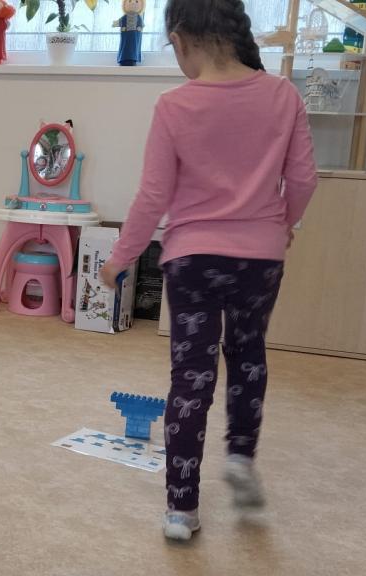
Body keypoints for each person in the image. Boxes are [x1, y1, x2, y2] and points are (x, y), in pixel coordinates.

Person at [98, 0, 318, 541]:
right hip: (260, 257)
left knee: (191, 377)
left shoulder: (175, 105)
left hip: (193, 260)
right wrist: (283, 223)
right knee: (248, 355)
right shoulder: (283, 95)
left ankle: (181, 510)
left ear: (179, 39)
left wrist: (121, 257)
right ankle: (240, 456)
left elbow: (153, 196)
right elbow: (304, 179)